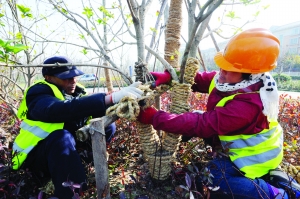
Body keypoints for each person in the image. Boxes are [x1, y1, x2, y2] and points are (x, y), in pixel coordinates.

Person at [137, 28, 300, 199]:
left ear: (250, 74)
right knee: (194, 119)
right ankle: (273, 177)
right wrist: (169, 77)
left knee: (215, 178)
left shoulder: (249, 103)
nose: (221, 72)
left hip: (255, 156)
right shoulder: (231, 81)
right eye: (222, 66)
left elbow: (203, 124)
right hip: (242, 145)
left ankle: (277, 193)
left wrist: (155, 118)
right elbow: (198, 79)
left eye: (228, 69)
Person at [12, 55, 143, 198]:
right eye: (66, 77)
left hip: (60, 153)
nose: (73, 81)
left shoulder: (77, 91)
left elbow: (88, 109)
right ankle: (69, 193)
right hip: (34, 158)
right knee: (61, 137)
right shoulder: (38, 93)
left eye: (74, 76)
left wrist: (120, 99)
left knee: (107, 127)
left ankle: (82, 167)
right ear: (49, 78)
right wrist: (108, 98)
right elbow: (58, 110)